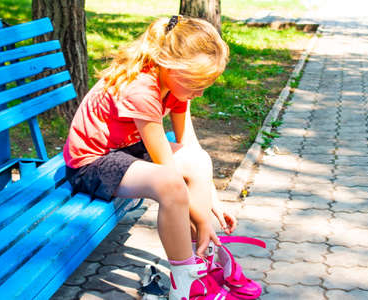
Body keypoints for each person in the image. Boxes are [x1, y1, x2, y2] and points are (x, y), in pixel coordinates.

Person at [63, 15, 238, 300]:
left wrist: (211, 198)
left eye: (205, 84)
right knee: (169, 184)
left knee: (199, 160)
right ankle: (186, 284)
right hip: (92, 162)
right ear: (170, 66)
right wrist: (203, 219)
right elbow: (168, 172)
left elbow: (189, 145)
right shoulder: (142, 88)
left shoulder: (177, 81)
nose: (200, 92)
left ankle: (199, 261)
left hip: (126, 149)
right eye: (196, 84)